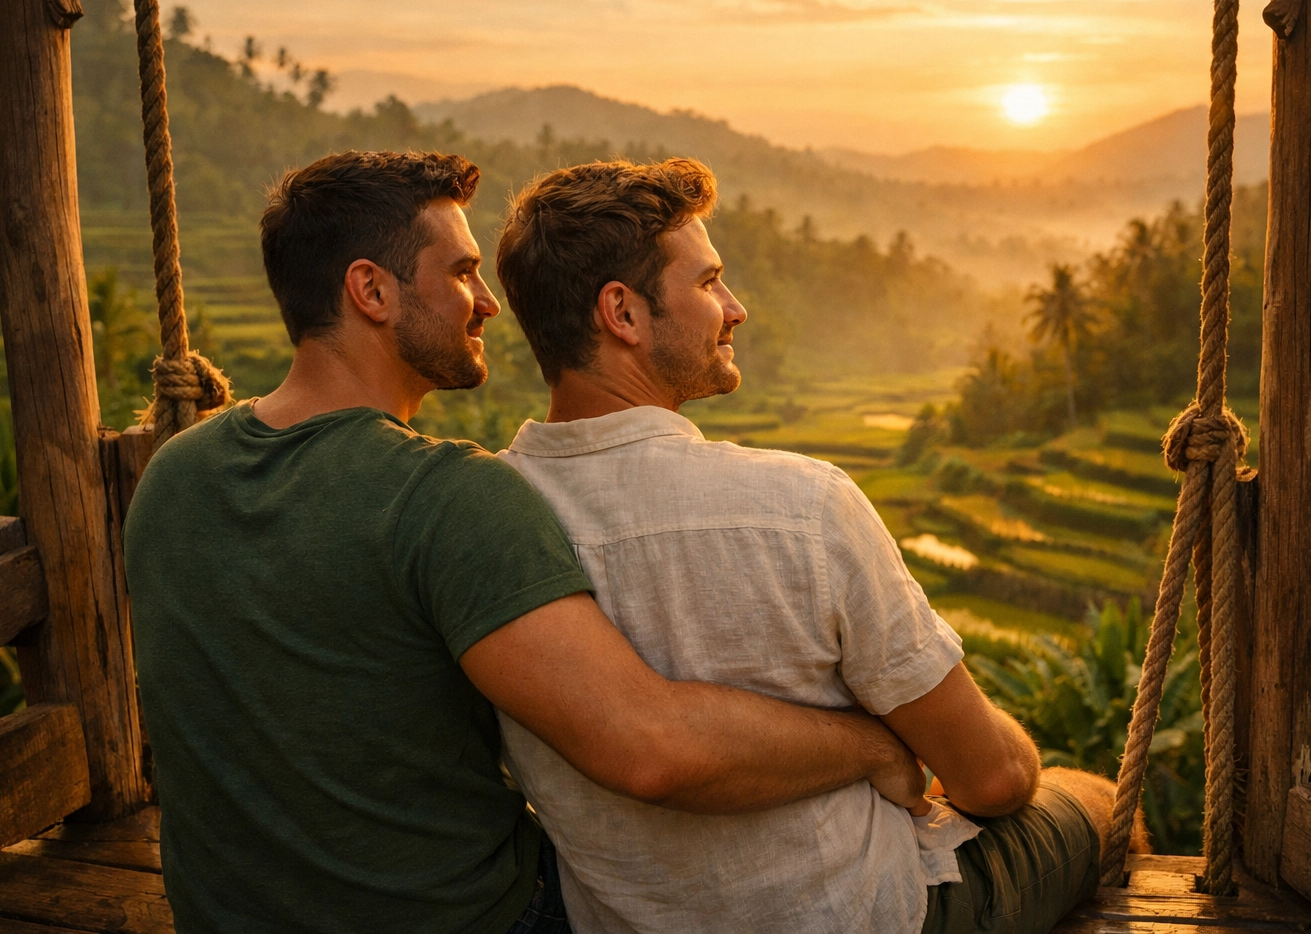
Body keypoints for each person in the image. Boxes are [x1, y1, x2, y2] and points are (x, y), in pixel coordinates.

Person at [123, 150, 929, 934]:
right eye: (461, 273)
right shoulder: (441, 495)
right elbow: (651, 749)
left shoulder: (176, 473)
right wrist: (869, 747)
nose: (487, 302)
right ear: (370, 290)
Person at [492, 158, 1146, 934]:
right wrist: (891, 748)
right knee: (1099, 801)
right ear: (622, 314)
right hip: (862, 912)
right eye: (707, 284)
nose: (736, 308)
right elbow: (993, 779)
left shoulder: (484, 518)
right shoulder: (801, 507)